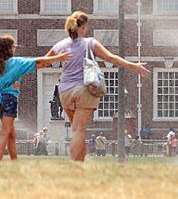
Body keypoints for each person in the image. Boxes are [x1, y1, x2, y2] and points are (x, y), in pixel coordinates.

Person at [44, 11, 150, 162]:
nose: (87, 30)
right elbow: (110, 58)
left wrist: (18, 68)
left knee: (78, 129)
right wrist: (134, 66)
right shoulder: (90, 43)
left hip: (65, 92)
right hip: (84, 90)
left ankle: (81, 162)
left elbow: (43, 62)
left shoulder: (60, 45)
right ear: (81, 28)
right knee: (78, 129)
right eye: (86, 27)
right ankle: (75, 164)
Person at [0, 35, 70, 160]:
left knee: (11, 135)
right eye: (14, 46)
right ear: (10, 49)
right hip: (9, 100)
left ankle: (14, 162)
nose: (15, 48)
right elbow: (38, 62)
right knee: (6, 133)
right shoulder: (16, 63)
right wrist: (58, 58)